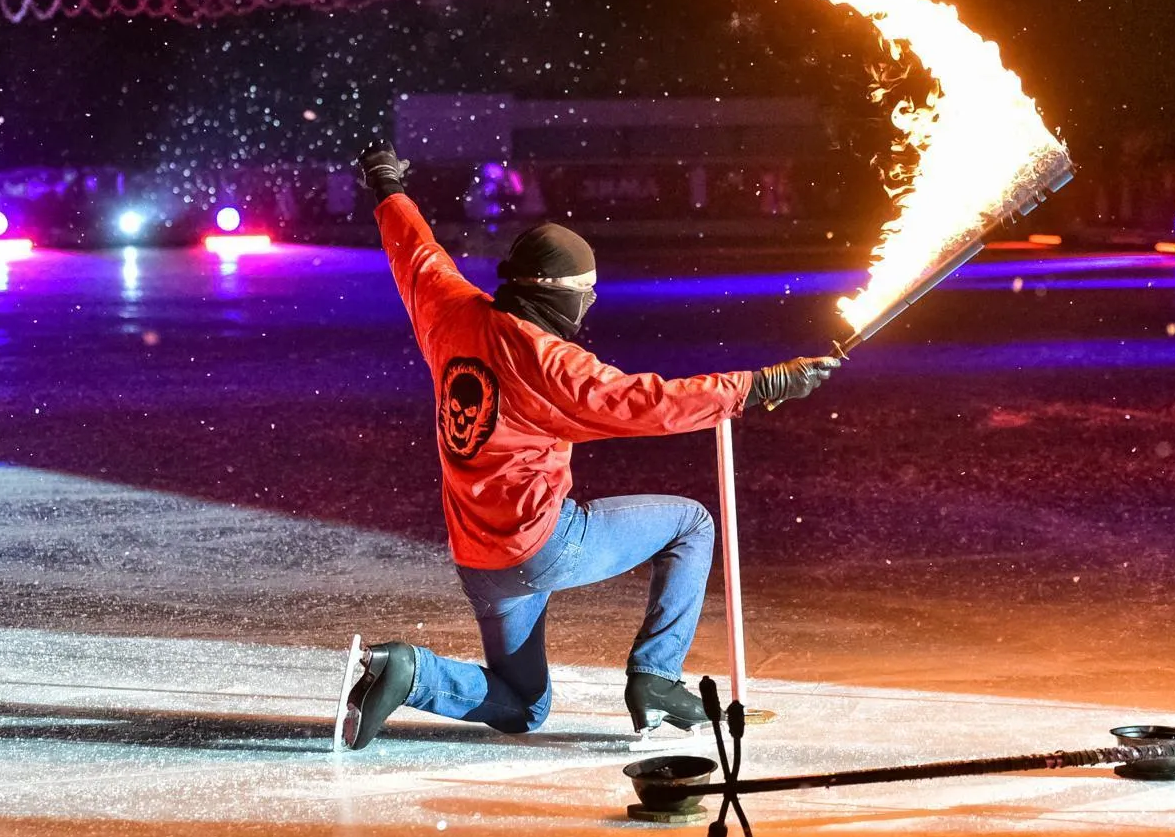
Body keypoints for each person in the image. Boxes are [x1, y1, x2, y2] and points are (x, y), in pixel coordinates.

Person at [341, 143, 838, 748]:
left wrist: (388, 187)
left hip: (479, 556)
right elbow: (644, 402)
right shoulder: (551, 364)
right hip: (541, 544)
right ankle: (655, 677)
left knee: (523, 705)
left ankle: (407, 672)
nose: (592, 301)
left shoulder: (450, 312)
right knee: (692, 524)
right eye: (585, 290)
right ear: (555, 293)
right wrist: (760, 385)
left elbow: (416, 253)